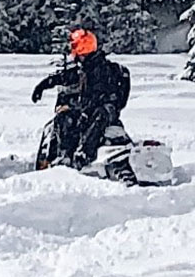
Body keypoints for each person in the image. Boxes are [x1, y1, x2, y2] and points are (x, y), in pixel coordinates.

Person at [29, 27, 132, 170]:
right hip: (92, 108)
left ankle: (83, 154)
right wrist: (43, 85)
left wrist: (84, 107)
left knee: (93, 115)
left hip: (102, 110)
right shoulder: (84, 68)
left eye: (77, 47)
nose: (75, 52)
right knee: (64, 116)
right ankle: (63, 157)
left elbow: (99, 95)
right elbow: (65, 76)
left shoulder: (102, 69)